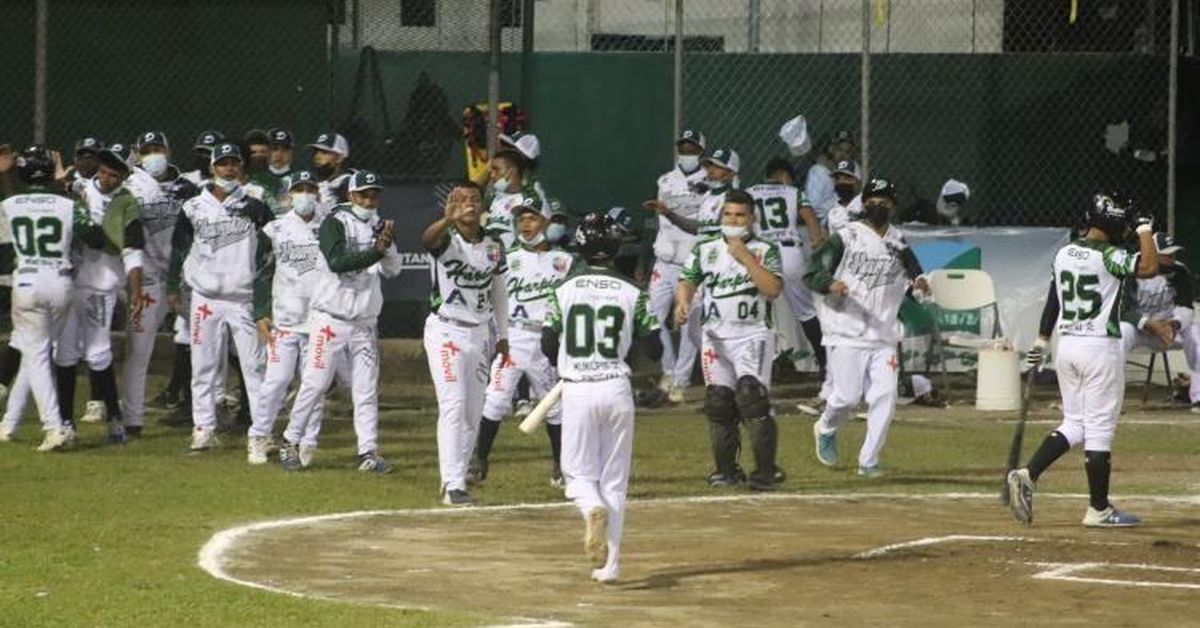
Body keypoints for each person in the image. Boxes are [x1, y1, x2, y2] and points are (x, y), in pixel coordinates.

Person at [1009, 195, 1161, 527]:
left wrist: (1041, 339)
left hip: (1067, 346)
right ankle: (1098, 509)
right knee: (1099, 429)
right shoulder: (1108, 255)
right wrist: (1144, 228)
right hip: (1099, 347)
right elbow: (1150, 267)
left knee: (1075, 423)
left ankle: (1028, 473)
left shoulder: (1064, 253)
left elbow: (1054, 298)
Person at [541, 212, 661, 584]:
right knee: (614, 482)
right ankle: (610, 566)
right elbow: (654, 348)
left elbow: (548, 344)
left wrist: (571, 359)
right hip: (616, 388)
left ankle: (591, 508)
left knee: (577, 476)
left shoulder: (563, 289)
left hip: (577, 388)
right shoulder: (633, 291)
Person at [804, 178, 928, 478]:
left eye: (884, 202)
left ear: (893, 206)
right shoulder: (846, 237)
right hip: (847, 329)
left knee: (886, 397)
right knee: (847, 398)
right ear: (864, 204)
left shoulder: (899, 242)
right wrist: (829, 283)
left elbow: (915, 277)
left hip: (883, 333)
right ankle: (826, 426)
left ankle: (869, 460)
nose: (878, 206)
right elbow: (812, 271)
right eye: (872, 201)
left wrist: (921, 284)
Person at [278, 170, 400, 472]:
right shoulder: (335, 222)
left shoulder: (379, 225)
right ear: (351, 195)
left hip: (364, 323)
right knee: (315, 383)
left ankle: (368, 451)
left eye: (374, 195)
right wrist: (375, 252)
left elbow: (394, 269)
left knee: (365, 389)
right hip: (330, 320)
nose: (369, 200)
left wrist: (386, 248)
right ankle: (290, 441)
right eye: (364, 194)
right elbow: (337, 262)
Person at [167, 141, 274, 451]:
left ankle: (262, 432)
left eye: (234, 163)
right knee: (203, 366)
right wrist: (172, 285)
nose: (229, 169)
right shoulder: (192, 206)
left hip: (243, 298)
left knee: (255, 367)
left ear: (241, 167)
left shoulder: (255, 205)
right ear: (213, 167)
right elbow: (178, 248)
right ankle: (203, 429)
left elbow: (273, 246)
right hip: (206, 298)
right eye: (223, 163)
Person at [675, 190, 784, 490]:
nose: (733, 220)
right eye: (728, 214)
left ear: (752, 218)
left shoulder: (766, 249)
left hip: (753, 334)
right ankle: (726, 471)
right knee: (718, 401)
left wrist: (746, 258)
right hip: (715, 336)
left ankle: (765, 471)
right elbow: (687, 280)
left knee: (751, 397)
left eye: (739, 215)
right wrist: (682, 302)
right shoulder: (705, 248)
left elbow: (773, 289)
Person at [473, 196, 573, 486]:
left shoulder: (565, 261)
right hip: (513, 338)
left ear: (546, 222)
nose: (525, 224)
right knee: (495, 400)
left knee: (554, 407)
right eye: (521, 218)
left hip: (546, 341)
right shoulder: (506, 258)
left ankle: (560, 467)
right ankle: (479, 461)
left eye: (532, 218)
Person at [422, 181, 509, 505]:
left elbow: (499, 290)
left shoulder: (494, 244)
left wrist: (503, 336)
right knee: (453, 404)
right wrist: (447, 218)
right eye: (461, 200)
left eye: (474, 199)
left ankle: (458, 477)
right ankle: (452, 483)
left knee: (473, 411)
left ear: (482, 205)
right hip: (446, 331)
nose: (469, 204)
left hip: (480, 333)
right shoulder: (448, 239)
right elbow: (427, 240)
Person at [53, 145, 145, 443]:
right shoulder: (81, 190)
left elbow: (133, 250)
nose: (106, 179)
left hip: (101, 286)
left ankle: (115, 420)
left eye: (113, 175)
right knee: (65, 353)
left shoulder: (127, 203)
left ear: (122, 178)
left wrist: (136, 290)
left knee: (98, 352)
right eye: (104, 172)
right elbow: (63, 196)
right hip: (69, 282)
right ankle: (66, 422)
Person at [0, 146, 86, 450]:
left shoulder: (9, 203)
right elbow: (92, 232)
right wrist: (64, 184)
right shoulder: (67, 204)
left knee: (35, 353)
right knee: (32, 350)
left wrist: (6, 175)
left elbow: (15, 212)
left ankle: (54, 426)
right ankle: (8, 424)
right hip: (61, 281)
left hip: (27, 281)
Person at [122, 131, 200, 435]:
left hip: (185, 281)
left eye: (158, 148)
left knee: (212, 345)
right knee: (138, 352)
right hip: (150, 282)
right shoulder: (131, 187)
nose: (153, 155)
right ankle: (133, 421)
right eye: (147, 150)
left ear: (168, 151)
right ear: (139, 155)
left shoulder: (188, 187)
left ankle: (206, 410)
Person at [247, 171, 323, 465]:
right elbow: (262, 273)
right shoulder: (274, 229)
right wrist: (260, 312)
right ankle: (259, 436)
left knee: (314, 386)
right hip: (285, 321)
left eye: (310, 189)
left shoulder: (329, 227)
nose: (305, 195)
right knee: (275, 382)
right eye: (299, 189)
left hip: (320, 321)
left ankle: (307, 441)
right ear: (290, 195)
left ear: (318, 194)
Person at [642, 129, 706, 403]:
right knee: (652, 316)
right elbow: (656, 222)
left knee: (690, 322)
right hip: (665, 260)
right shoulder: (665, 180)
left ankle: (680, 380)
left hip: (692, 263)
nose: (686, 152)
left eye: (691, 148)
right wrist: (645, 260)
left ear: (701, 151)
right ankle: (669, 371)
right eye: (683, 148)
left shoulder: (709, 181)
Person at [746, 158, 826, 377]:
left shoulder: (749, 192)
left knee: (758, 311)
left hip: (761, 254)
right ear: (783, 175)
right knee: (806, 312)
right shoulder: (793, 192)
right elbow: (810, 217)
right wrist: (816, 240)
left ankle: (760, 366)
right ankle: (825, 363)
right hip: (789, 253)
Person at [1117, 233, 1200, 412]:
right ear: (1151, 252)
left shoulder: (1179, 271)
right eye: (1167, 254)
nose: (1172, 257)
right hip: (1139, 328)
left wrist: (1175, 324)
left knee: (1196, 335)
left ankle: (1198, 397)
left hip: (1168, 330)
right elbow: (1123, 310)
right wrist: (1149, 324)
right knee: (1120, 333)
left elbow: (1186, 307)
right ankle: (1111, 399)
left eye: (1173, 253)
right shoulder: (1131, 268)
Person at [805, 131, 856, 229]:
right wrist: (836, 206)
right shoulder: (818, 171)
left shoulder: (847, 170)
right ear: (831, 149)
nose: (843, 155)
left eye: (847, 152)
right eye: (839, 150)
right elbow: (812, 206)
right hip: (822, 225)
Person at [482, 150, 531, 249]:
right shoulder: (493, 198)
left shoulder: (527, 200)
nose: (492, 175)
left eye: (497, 170)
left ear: (511, 171)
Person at [307, 132, 353, 215]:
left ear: (339, 158)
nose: (317, 157)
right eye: (316, 152)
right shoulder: (317, 183)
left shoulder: (349, 185)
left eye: (324, 152)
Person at [826, 159, 863, 233]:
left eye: (847, 178)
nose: (841, 182)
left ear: (858, 181)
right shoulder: (833, 211)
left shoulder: (867, 203)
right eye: (837, 178)